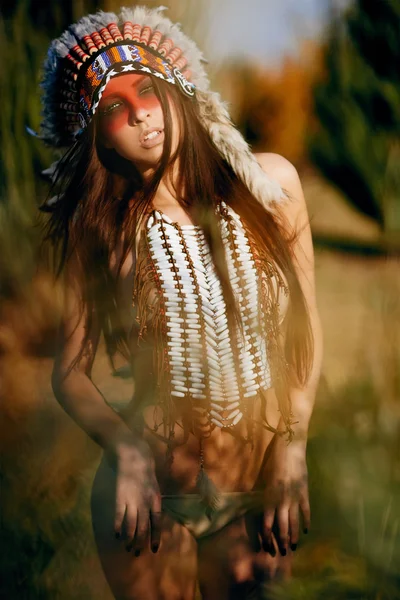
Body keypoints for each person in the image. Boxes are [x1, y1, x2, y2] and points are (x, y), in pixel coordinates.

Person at [36, 5, 323, 599]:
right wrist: (128, 451)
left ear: (179, 93)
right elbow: (70, 374)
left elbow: (306, 330)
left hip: (259, 495)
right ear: (98, 139)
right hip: (152, 504)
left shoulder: (270, 186)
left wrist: (293, 446)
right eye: (113, 108)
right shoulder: (105, 230)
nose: (140, 111)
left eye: (147, 90)